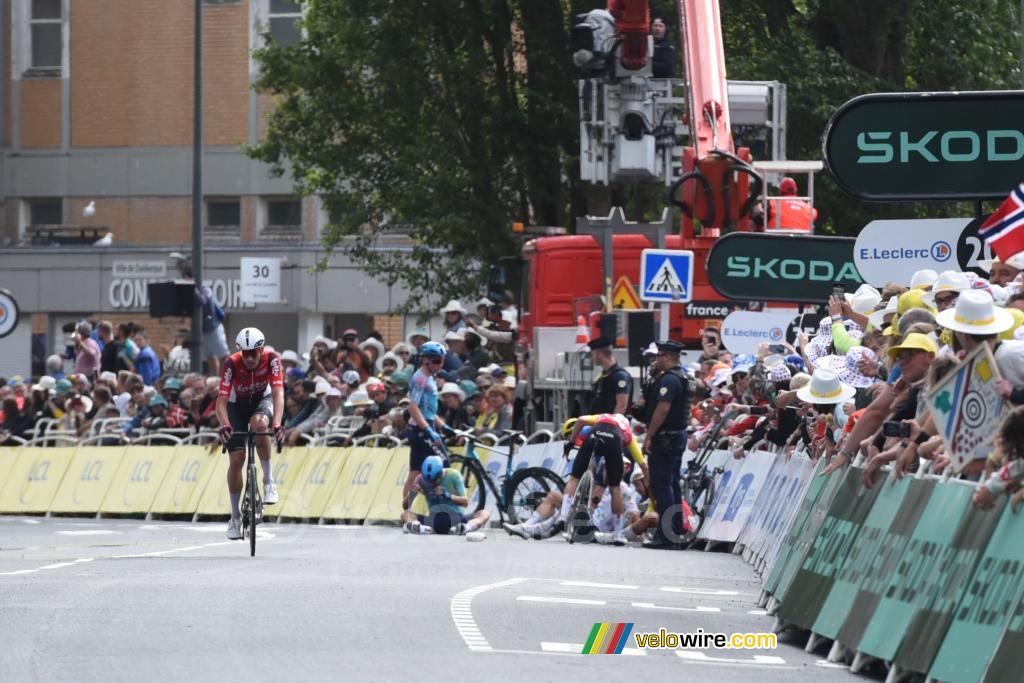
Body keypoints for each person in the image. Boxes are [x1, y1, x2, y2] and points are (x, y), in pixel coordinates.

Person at [215, 327, 286, 541]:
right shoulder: (232, 363)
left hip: (260, 402)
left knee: (259, 425)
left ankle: (268, 481)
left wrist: (277, 423)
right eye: (245, 353)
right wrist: (225, 424)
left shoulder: (272, 359)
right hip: (237, 407)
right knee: (237, 460)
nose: (249, 358)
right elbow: (221, 401)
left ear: (261, 350)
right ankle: (235, 516)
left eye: (253, 353)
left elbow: (278, 393)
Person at [559, 412, 648, 544]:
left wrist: (570, 443)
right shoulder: (628, 434)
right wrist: (649, 481)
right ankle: (618, 534)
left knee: (574, 478)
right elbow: (643, 465)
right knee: (615, 488)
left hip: (594, 434)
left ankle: (563, 516)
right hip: (614, 441)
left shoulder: (604, 416)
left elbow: (581, 420)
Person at [640, 340, 692, 549]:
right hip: (676, 436)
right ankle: (676, 529)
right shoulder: (683, 376)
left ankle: (666, 534)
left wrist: (649, 436)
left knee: (662, 485)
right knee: (672, 484)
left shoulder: (670, 380)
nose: (656, 359)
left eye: (660, 356)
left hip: (666, 439)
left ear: (669, 356)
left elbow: (662, 410)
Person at [400, 341, 448, 519]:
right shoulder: (420, 378)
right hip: (422, 429)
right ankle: (442, 510)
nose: (440, 364)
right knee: (443, 466)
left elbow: (428, 410)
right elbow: (412, 407)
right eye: (436, 361)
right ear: (426, 360)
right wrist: (429, 431)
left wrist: (444, 426)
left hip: (422, 426)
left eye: (441, 361)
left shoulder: (429, 377)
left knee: (414, 473)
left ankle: (407, 512)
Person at [400, 455, 489, 535]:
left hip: (456, 518)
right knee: (406, 514)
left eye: (434, 480)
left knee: (484, 513)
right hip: (434, 520)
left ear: (440, 473)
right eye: (428, 481)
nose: (431, 483)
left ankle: (465, 528)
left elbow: (465, 502)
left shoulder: (454, 475)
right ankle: (420, 529)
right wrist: (411, 493)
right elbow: (405, 506)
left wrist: (447, 495)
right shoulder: (420, 479)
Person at [587, 336, 632, 415]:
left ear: (600, 354)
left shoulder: (620, 376)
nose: (591, 358)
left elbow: (621, 405)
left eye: (592, 355)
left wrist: (610, 425)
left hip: (609, 425)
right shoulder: (604, 375)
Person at [196, 285, 229, 377]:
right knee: (210, 356)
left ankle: (223, 380)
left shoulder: (205, 289)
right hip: (202, 329)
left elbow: (202, 301)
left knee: (223, 355)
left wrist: (194, 290)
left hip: (213, 327)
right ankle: (214, 378)